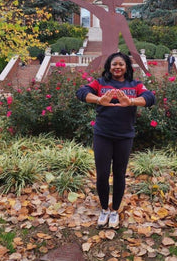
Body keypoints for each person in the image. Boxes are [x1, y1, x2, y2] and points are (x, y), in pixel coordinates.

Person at [76, 52, 156, 229]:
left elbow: (150, 98)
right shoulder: (100, 83)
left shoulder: (135, 85)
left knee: (119, 174)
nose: (117, 67)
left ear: (126, 66)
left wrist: (131, 101)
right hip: (103, 135)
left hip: (124, 137)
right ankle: (104, 209)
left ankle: (115, 211)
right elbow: (81, 92)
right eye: (114, 64)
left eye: (121, 64)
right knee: (102, 174)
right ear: (109, 67)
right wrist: (99, 99)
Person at [23, 0, 149, 74]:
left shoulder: (103, 13)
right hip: (109, 60)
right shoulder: (116, 17)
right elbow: (133, 50)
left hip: (107, 61)